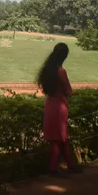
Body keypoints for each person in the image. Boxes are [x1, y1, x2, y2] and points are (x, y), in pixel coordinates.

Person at [39, 42, 80, 175]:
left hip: (49, 103)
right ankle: (55, 167)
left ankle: (69, 165)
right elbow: (68, 90)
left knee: (58, 137)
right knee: (60, 137)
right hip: (60, 105)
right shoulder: (61, 71)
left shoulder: (46, 69)